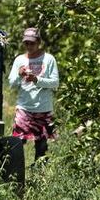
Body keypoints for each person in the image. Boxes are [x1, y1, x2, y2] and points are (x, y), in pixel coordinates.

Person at [8, 28, 59, 161]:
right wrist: (19, 75)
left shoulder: (49, 59)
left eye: (32, 43)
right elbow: (12, 84)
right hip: (24, 107)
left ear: (39, 42)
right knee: (17, 142)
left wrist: (37, 80)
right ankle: (15, 171)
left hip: (44, 108)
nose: (29, 46)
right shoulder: (19, 60)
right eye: (26, 43)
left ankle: (39, 174)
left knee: (41, 146)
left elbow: (55, 83)